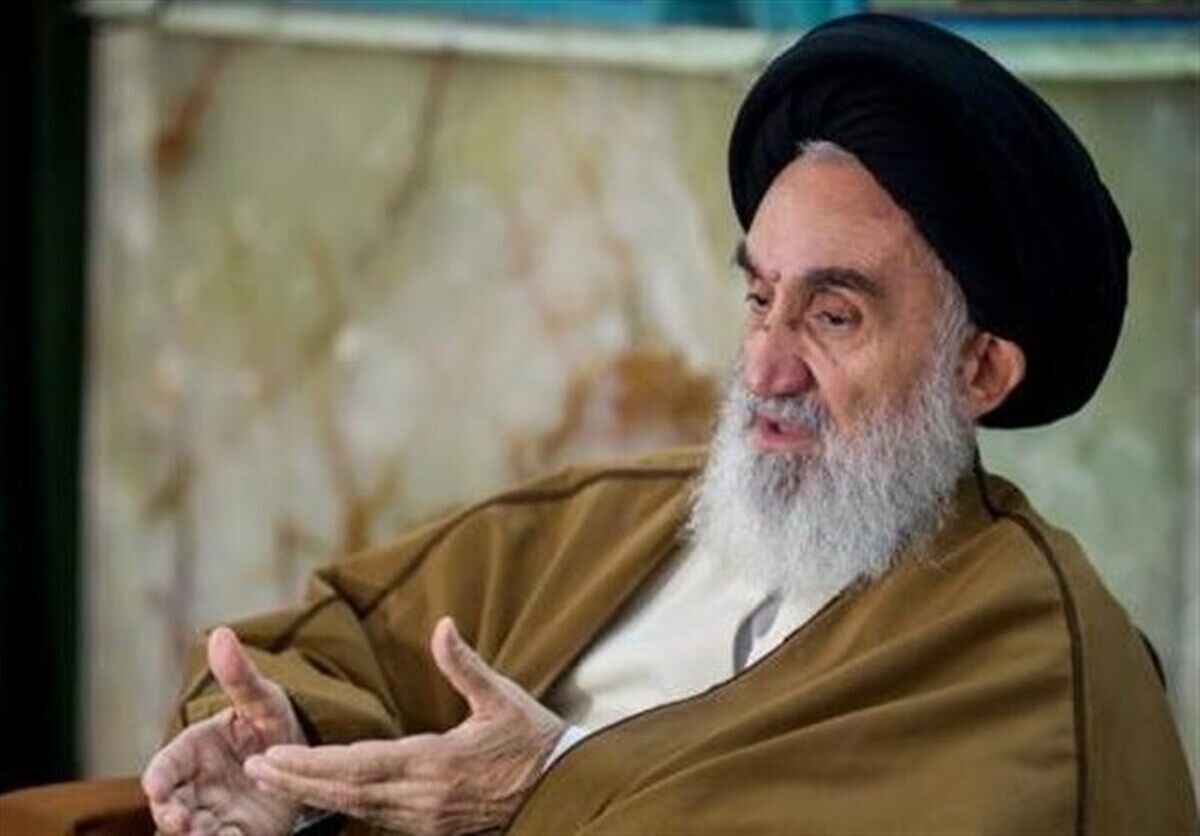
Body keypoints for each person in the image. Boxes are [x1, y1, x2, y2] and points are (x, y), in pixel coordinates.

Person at [140, 13, 1196, 835]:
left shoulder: (1031, 652)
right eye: (759, 298)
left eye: (833, 315)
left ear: (980, 369)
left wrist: (539, 783)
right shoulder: (623, 519)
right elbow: (330, 646)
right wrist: (293, 760)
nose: (766, 364)